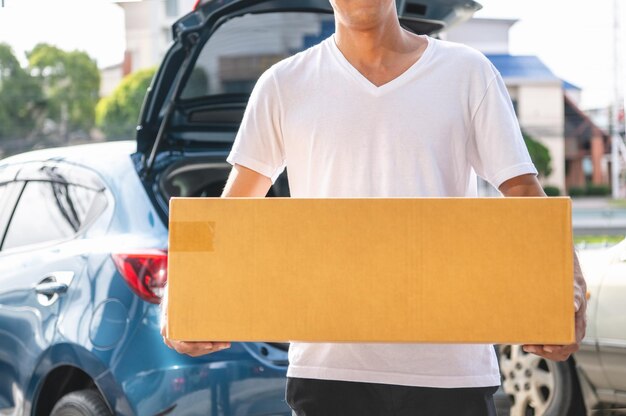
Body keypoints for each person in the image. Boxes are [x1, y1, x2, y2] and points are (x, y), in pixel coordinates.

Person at [162, 0, 588, 414]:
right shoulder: (283, 84)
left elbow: (525, 198)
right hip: (328, 371)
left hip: (450, 374)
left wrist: (567, 289)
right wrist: (180, 296)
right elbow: (231, 215)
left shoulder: (468, 73)